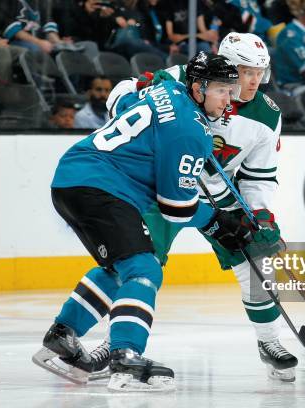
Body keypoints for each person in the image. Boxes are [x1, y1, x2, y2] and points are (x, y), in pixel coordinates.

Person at [35, 52, 253, 391]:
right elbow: (176, 209)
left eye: (230, 90)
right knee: (145, 269)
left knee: (118, 268)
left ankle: (62, 336)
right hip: (102, 188)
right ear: (198, 88)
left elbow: (121, 101)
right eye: (222, 90)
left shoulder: (164, 93)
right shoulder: (190, 131)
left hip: (70, 178)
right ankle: (126, 356)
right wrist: (218, 221)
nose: (229, 100)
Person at [95, 32, 297, 383]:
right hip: (164, 187)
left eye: (259, 72)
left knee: (256, 259)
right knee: (137, 259)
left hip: (220, 196)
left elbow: (259, 176)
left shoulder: (266, 114)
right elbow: (123, 93)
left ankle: (269, 341)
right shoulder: (189, 77)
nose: (253, 81)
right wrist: (124, 103)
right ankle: (114, 344)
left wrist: (261, 216)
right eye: (246, 71)